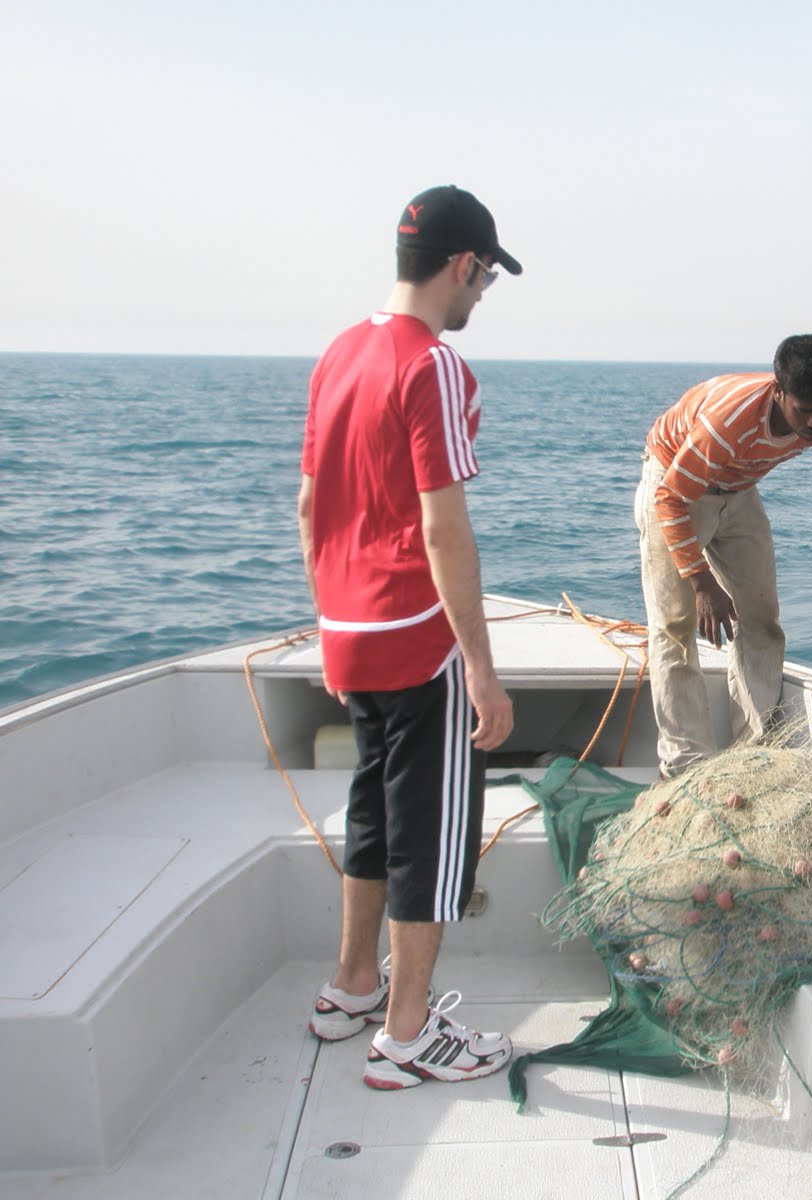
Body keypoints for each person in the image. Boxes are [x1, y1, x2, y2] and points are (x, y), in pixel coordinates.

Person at [298, 185, 522, 1090]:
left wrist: (329, 617)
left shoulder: (339, 351)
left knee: (372, 811)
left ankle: (353, 985)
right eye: (487, 279)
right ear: (463, 265)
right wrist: (480, 667)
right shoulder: (432, 366)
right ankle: (407, 1032)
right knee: (428, 837)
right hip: (417, 638)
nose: (483, 297)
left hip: (347, 631)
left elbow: (311, 505)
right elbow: (443, 529)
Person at [636, 335, 812, 777]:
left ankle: (752, 754)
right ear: (778, 392)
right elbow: (672, 500)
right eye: (803, 410)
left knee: (761, 618)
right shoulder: (728, 422)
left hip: (737, 488)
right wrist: (702, 583)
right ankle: (685, 764)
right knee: (674, 626)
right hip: (675, 483)